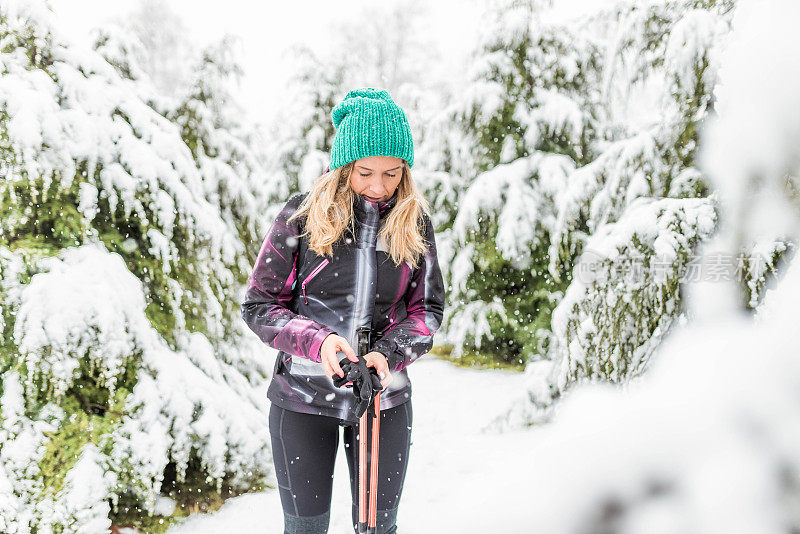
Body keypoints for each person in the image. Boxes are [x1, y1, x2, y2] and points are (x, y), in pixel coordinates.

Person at [241, 87, 446, 534]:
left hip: (382, 400)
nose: (378, 187)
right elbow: (260, 306)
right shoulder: (302, 217)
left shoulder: (414, 225)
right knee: (305, 530)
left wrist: (389, 354)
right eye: (365, 172)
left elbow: (427, 310)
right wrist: (320, 342)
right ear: (342, 167)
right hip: (302, 397)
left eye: (393, 174)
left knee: (376, 530)